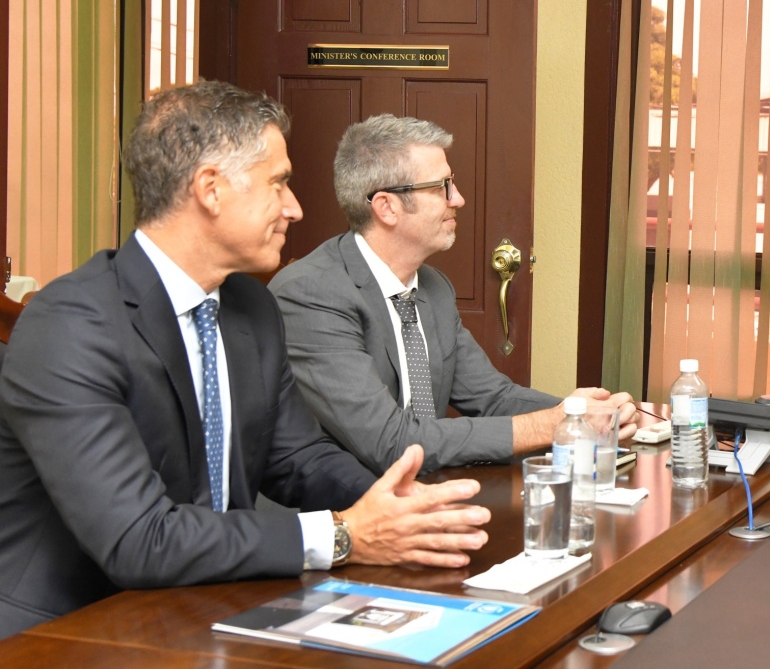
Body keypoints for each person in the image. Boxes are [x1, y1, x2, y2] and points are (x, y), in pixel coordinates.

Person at [0, 83, 491, 638]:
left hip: (214, 602)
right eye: (278, 183)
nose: (295, 207)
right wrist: (344, 533)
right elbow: (139, 541)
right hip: (70, 631)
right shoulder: (71, 326)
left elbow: (297, 458)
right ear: (210, 189)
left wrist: (402, 507)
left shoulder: (250, 306)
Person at [269, 114, 636, 474]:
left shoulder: (434, 287)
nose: (457, 199)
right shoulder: (311, 295)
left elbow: (494, 398)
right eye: (442, 186)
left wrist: (587, 415)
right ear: (387, 207)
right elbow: (390, 442)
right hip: (343, 512)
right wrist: (550, 425)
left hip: (428, 497)